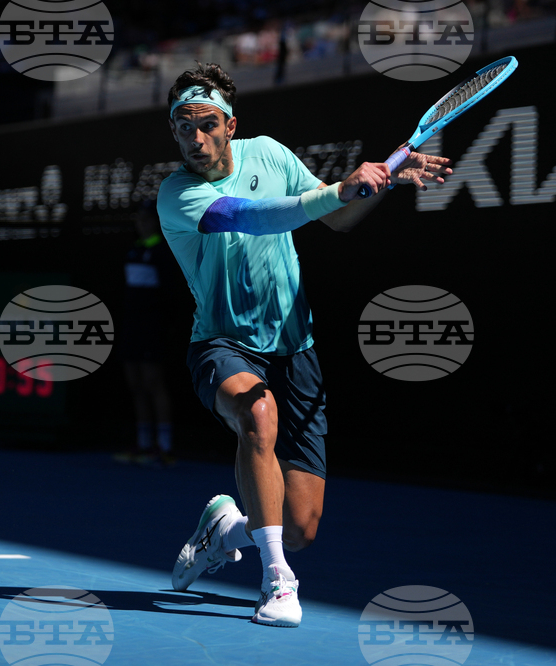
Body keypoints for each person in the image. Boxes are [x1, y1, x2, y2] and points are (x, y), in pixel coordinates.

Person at [156, 63, 452, 627]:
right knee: (255, 413)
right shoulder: (178, 194)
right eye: (183, 126)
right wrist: (341, 185)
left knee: (303, 526)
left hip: (297, 349)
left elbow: (337, 218)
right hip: (223, 342)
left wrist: (376, 185)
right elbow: (250, 216)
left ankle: (228, 530)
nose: (195, 138)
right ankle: (277, 580)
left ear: (230, 125)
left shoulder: (268, 152)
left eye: (207, 124)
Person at [116, 200, 177, 468]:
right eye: (138, 220)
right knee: (136, 384)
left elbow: (170, 295)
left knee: (154, 384)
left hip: (153, 328)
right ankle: (144, 444)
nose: (142, 224)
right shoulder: (132, 251)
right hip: (132, 327)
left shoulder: (163, 252)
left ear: (155, 222)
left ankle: (164, 448)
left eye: (146, 219)